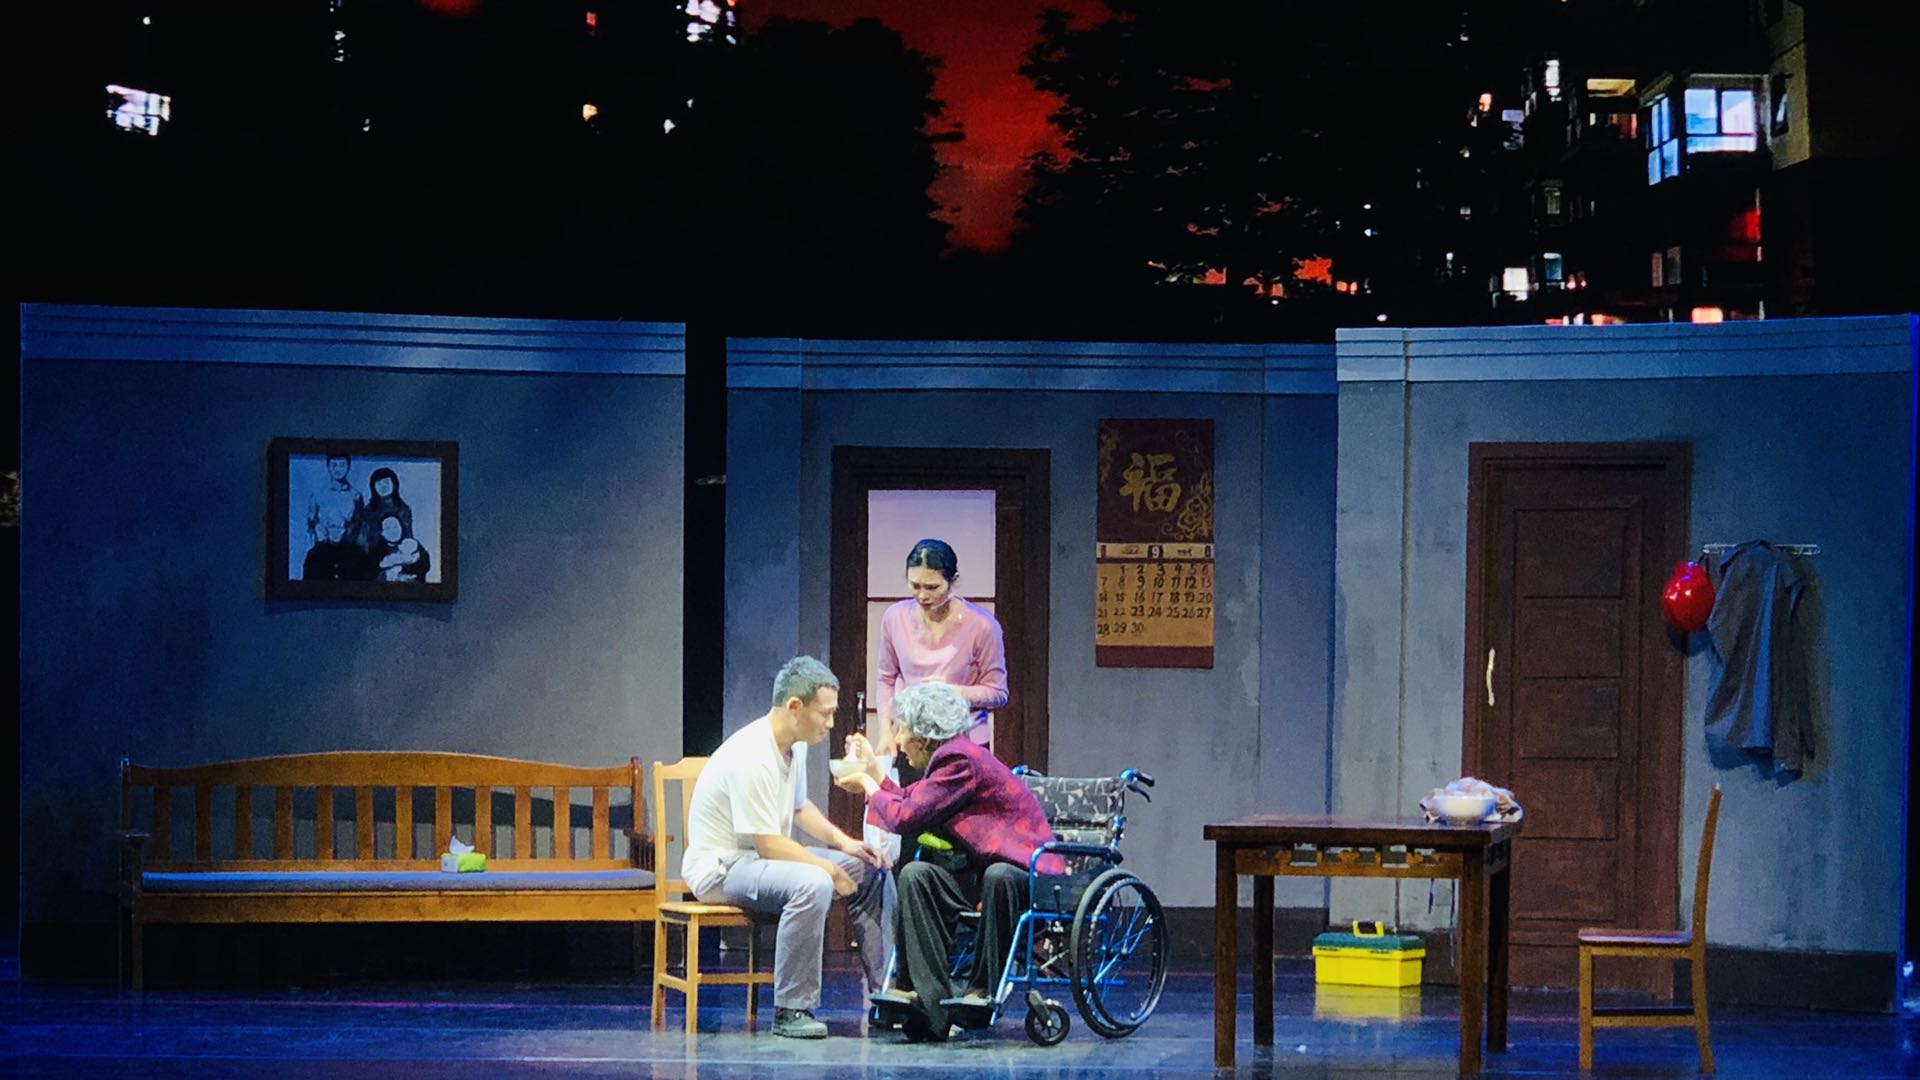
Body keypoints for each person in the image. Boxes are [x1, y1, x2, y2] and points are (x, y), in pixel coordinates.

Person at [681, 656, 896, 1039]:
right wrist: (829, 868)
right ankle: (791, 1009)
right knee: (812, 883)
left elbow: (798, 808)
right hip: (723, 868)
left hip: (762, 860)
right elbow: (768, 845)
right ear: (795, 707)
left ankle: (888, 994)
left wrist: (847, 845)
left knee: (871, 869)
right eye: (825, 714)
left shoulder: (795, 745)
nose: (831, 723)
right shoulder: (752, 755)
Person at [837, 681, 1060, 1040]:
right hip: (980, 875)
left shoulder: (960, 760)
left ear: (923, 737)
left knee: (1000, 875)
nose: (898, 740)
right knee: (916, 874)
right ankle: (924, 996)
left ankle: (981, 991)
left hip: (1026, 877)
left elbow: (905, 816)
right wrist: (874, 773)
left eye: (901, 729)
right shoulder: (952, 759)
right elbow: (911, 801)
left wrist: (866, 782)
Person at [303, 453, 363, 549]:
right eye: (334, 465)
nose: (337, 469)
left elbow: (358, 525)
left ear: (348, 467)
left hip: (347, 549)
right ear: (328, 467)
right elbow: (310, 524)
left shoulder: (356, 496)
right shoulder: (317, 495)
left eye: (341, 465)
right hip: (322, 548)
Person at [349, 467, 413, 553]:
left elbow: (408, 537)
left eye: (386, 482)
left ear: (394, 485)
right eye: (379, 483)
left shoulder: (403, 509)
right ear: (373, 487)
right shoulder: (368, 510)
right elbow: (361, 536)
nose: (383, 486)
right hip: (370, 553)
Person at [302, 518, 372, 581]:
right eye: (332, 527)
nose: (336, 531)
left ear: (345, 529)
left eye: (340, 528)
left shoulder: (357, 553)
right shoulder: (315, 554)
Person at [371, 516, 430, 582]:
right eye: (388, 528)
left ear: (401, 528)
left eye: (395, 527)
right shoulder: (377, 552)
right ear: (382, 533)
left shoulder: (412, 544)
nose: (393, 531)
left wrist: (401, 569)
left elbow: (425, 565)